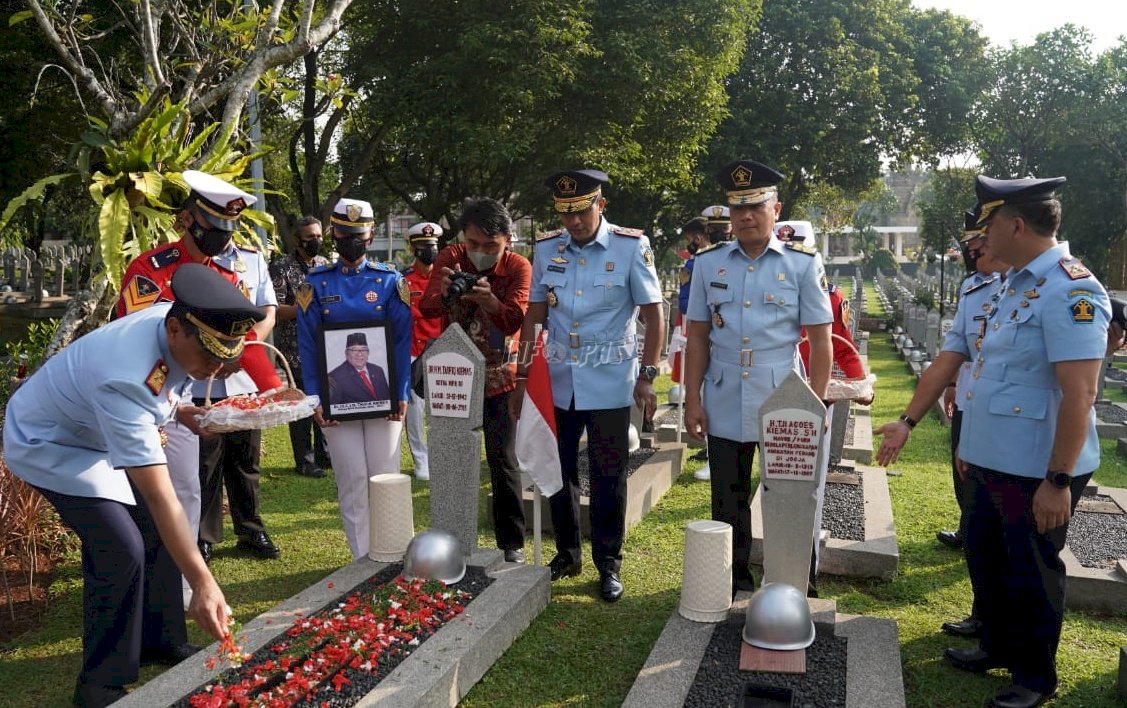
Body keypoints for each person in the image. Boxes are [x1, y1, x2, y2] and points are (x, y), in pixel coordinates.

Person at [875, 176, 1108, 708]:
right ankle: (996, 645)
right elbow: (962, 363)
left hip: (1036, 465)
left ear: (1017, 225)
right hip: (987, 454)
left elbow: (1080, 395)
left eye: (991, 224)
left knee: (1030, 569)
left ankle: (1034, 677)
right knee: (987, 556)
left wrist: (1057, 480)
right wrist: (909, 422)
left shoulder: (1071, 289)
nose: (981, 236)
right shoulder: (1012, 284)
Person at [5, 264, 256, 708]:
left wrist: (180, 413)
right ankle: (100, 684)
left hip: (94, 429)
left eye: (225, 357)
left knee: (153, 531)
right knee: (120, 546)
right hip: (50, 443)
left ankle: (160, 639)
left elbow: (161, 383)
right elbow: (163, 496)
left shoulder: (172, 321)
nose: (217, 368)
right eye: (211, 356)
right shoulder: (123, 374)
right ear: (176, 328)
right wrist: (203, 582)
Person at [510, 169, 665, 602]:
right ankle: (567, 552)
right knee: (557, 470)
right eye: (565, 214)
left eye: (581, 211)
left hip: (611, 379)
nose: (574, 222)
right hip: (557, 380)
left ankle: (608, 563)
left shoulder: (631, 247)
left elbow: (655, 315)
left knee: (607, 474)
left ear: (601, 204)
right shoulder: (547, 248)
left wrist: (648, 375)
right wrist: (522, 375)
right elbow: (534, 315)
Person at [114, 170, 281, 568]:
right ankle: (147, 573)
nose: (222, 238)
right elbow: (131, 341)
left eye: (229, 229)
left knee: (188, 490)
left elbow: (244, 341)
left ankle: (184, 582)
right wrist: (150, 408)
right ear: (188, 219)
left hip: (190, 404)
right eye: (213, 227)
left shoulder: (227, 279)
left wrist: (273, 387)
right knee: (144, 494)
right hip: (147, 398)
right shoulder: (152, 269)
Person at [682, 159, 833, 595]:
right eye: (737, 208)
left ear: (776, 209)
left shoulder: (802, 264)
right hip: (726, 389)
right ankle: (732, 579)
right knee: (727, 494)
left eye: (756, 206)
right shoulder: (710, 264)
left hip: (782, 387)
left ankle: (794, 577)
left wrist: (816, 406)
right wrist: (693, 399)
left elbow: (820, 342)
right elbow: (697, 338)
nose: (746, 216)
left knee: (789, 492)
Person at [296, 198, 412, 560]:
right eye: (345, 234)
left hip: (385, 396)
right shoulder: (314, 284)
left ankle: (390, 553)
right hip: (335, 400)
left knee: (384, 478)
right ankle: (362, 560)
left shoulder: (391, 281)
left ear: (371, 234)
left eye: (358, 235)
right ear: (333, 233)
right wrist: (315, 397)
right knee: (352, 481)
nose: (352, 241)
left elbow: (400, 342)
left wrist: (402, 392)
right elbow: (309, 347)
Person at [419, 198, 531, 562]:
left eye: (490, 245)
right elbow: (428, 306)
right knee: (451, 451)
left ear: (508, 239)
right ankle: (452, 535)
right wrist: (448, 287)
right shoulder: (450, 257)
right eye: (473, 244)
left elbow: (516, 318)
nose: (479, 253)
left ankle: (511, 543)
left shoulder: (518, 266)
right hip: (454, 375)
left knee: (502, 460)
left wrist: (490, 301)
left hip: (500, 376)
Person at [936, 210, 1008, 555]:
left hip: (1003, 396)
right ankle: (968, 528)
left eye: (977, 245)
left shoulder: (1014, 283)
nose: (973, 253)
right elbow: (959, 342)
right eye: (970, 248)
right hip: (968, 390)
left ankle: (987, 534)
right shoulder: (971, 285)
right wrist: (951, 383)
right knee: (960, 463)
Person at [269, 215, 332, 477]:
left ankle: (324, 455)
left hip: (327, 347)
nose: (316, 241)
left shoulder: (325, 265)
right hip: (295, 350)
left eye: (319, 237)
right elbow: (274, 308)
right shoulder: (281, 267)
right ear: (297, 240)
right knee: (302, 406)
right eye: (310, 238)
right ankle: (305, 460)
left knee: (324, 402)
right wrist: (303, 311)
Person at [402, 222, 445, 481]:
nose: (428, 251)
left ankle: (440, 455)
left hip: (440, 348)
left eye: (432, 247)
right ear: (413, 249)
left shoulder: (445, 279)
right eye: (423, 247)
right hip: (414, 350)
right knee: (415, 411)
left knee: (441, 407)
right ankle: (421, 459)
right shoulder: (404, 281)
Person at [328, 331, 390, 404]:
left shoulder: (378, 370)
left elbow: (387, 399)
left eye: (363, 349)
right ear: (346, 353)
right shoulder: (335, 377)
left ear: (368, 352)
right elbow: (335, 410)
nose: (359, 354)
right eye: (354, 350)